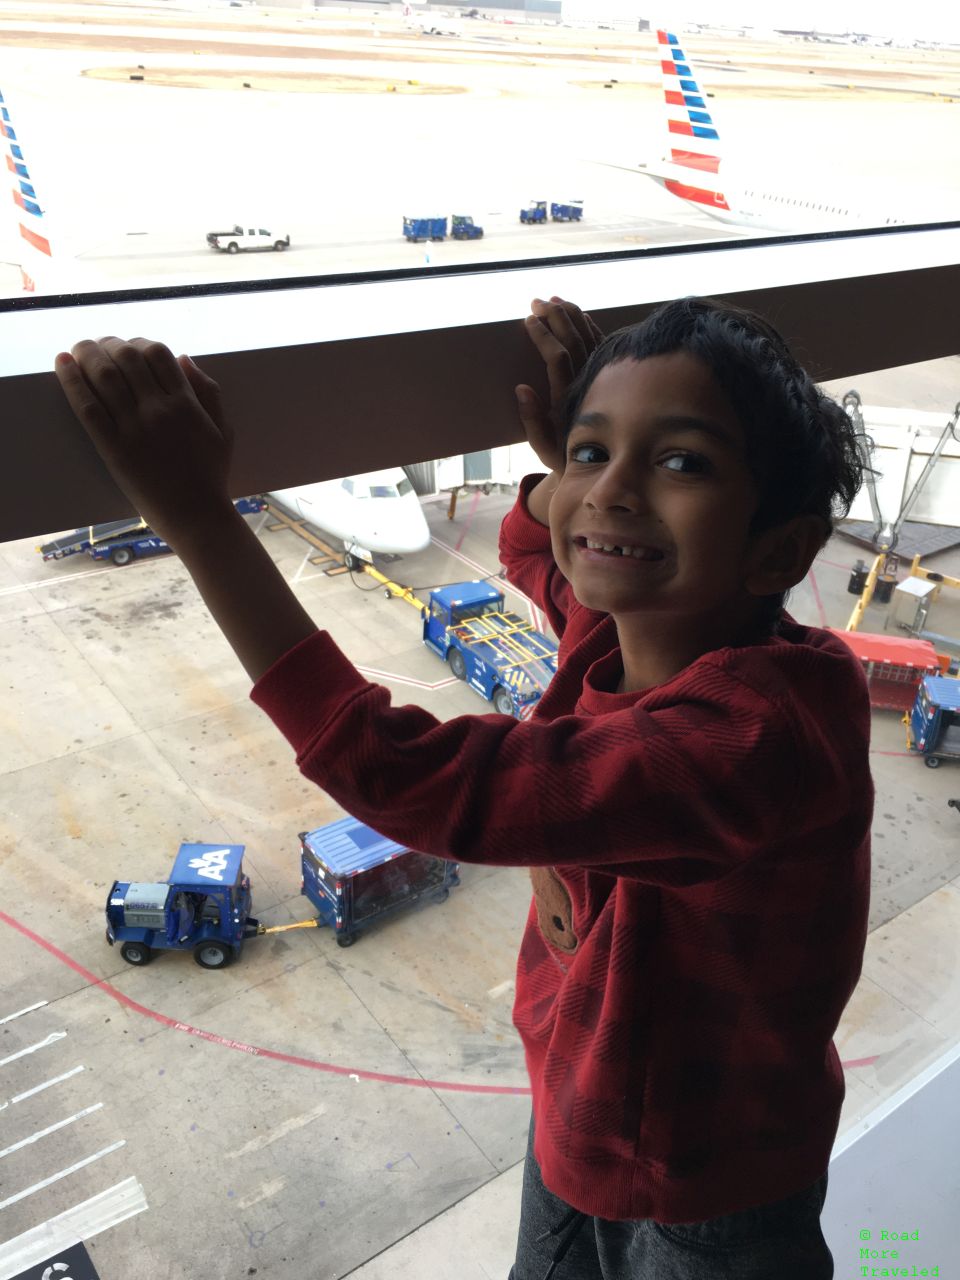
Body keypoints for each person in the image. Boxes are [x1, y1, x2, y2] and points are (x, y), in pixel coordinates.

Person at [54, 294, 873, 1279]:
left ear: (782, 548)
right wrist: (569, 481)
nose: (611, 488)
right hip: (586, 1119)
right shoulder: (628, 633)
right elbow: (535, 548)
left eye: (682, 460)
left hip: (710, 1189)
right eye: (592, 450)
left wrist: (196, 514)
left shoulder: (752, 737)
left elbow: (414, 778)